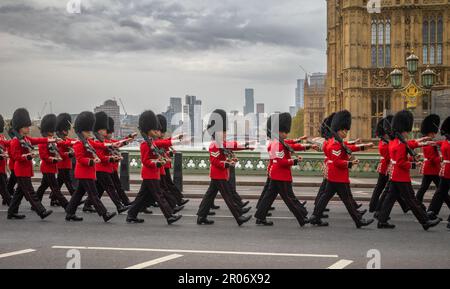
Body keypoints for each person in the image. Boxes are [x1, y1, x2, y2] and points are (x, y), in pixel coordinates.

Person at [309, 110, 374, 228]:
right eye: (345, 130)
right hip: (338, 177)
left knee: (325, 197)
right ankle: (359, 220)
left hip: (334, 176)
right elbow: (337, 161)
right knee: (347, 200)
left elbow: (349, 147)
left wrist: (364, 147)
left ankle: (315, 216)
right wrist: (350, 163)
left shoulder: (337, 142)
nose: (346, 132)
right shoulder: (335, 144)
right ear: (339, 130)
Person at [377, 110, 440, 230]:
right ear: (403, 130)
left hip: (395, 175)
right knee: (412, 200)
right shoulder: (400, 143)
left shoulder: (394, 142)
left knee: (390, 198)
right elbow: (401, 162)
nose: (407, 133)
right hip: (401, 176)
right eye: (406, 131)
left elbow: (408, 145)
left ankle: (382, 220)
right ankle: (425, 221)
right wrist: (414, 164)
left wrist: (420, 142)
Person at [196, 109, 253, 226]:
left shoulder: (220, 143)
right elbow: (215, 161)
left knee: (209, 196)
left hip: (219, 175)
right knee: (228, 197)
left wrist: (246, 146)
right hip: (218, 175)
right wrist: (227, 164)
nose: (226, 134)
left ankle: (201, 216)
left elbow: (232, 146)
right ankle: (239, 217)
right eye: (224, 131)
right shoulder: (214, 145)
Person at [126, 110, 183, 225]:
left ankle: (131, 214)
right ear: (148, 131)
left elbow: (163, 143)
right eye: (154, 130)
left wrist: (176, 139)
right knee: (159, 195)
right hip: (149, 173)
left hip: (153, 173)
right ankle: (169, 215)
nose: (157, 131)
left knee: (142, 196)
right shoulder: (144, 145)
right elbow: (145, 161)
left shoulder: (152, 143)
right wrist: (157, 163)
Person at [254, 113, 310, 227]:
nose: (286, 134)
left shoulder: (279, 142)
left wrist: (305, 145)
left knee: (269, 197)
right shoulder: (277, 144)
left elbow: (291, 144)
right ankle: (301, 218)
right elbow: (281, 161)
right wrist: (294, 161)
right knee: (289, 198)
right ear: (278, 131)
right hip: (281, 175)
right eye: (284, 132)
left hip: (277, 175)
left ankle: (260, 216)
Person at [65, 111, 118, 223]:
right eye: (87, 131)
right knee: (93, 195)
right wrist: (92, 161)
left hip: (88, 172)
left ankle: (70, 212)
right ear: (80, 132)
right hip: (84, 172)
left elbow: (99, 145)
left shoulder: (88, 142)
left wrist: (111, 144)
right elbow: (80, 159)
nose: (90, 132)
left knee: (79, 193)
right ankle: (104, 214)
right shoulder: (79, 144)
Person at [7, 108, 54, 220]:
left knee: (19, 193)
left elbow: (37, 140)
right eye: (26, 126)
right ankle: (41, 211)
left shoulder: (26, 139)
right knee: (30, 192)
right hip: (21, 170)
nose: (28, 128)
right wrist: (27, 156)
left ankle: (11, 212)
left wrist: (49, 140)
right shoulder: (15, 141)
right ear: (20, 127)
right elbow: (15, 156)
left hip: (26, 169)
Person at [35, 114, 70, 209]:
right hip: (47, 168)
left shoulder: (52, 140)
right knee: (56, 189)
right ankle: (67, 206)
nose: (52, 133)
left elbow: (57, 149)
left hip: (51, 168)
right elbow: (44, 156)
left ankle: (35, 203)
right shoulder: (43, 140)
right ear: (46, 131)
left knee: (43, 187)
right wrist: (53, 159)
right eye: (50, 131)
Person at [427, 116, 450, 227]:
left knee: (440, 193)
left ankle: (431, 212)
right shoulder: (447, 143)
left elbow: (442, 143)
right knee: (441, 193)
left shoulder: (445, 142)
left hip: (444, 171)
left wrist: (435, 143)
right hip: (448, 171)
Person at [416, 114, 443, 207]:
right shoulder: (428, 143)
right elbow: (432, 159)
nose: (434, 134)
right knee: (441, 189)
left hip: (431, 169)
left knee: (424, 188)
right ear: (430, 133)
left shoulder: (430, 142)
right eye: (433, 133)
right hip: (432, 169)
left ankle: (417, 203)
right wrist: (442, 158)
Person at [56, 113, 77, 201]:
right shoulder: (58, 140)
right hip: (61, 164)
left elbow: (72, 141)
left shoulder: (66, 139)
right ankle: (75, 199)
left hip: (67, 165)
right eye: (65, 130)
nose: (67, 131)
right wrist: (70, 154)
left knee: (59, 183)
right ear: (61, 130)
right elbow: (60, 153)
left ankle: (53, 197)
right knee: (68, 183)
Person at [0, 114, 11, 206]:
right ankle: (12, 206)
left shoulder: (1, 137)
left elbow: (7, 143)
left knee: (5, 186)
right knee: (4, 188)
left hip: (2, 167)